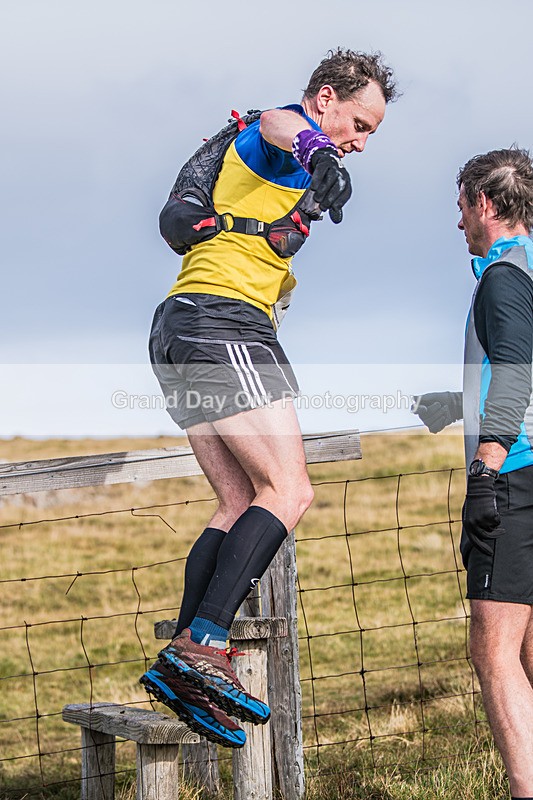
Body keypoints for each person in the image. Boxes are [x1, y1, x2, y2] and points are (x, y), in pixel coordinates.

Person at [140, 48, 397, 748]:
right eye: (357, 122)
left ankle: (183, 662)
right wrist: (319, 151)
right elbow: (278, 123)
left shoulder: (286, 181)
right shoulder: (280, 134)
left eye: (370, 132)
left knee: (237, 500)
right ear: (324, 98)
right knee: (288, 491)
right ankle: (203, 647)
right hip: (222, 325)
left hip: (184, 325)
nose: (360, 140)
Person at [413, 147, 533, 799]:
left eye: (461, 205)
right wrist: (454, 404)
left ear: (483, 204)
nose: (457, 219)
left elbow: (514, 363)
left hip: (515, 473)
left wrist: (486, 465)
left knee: (493, 650)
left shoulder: (500, 275)